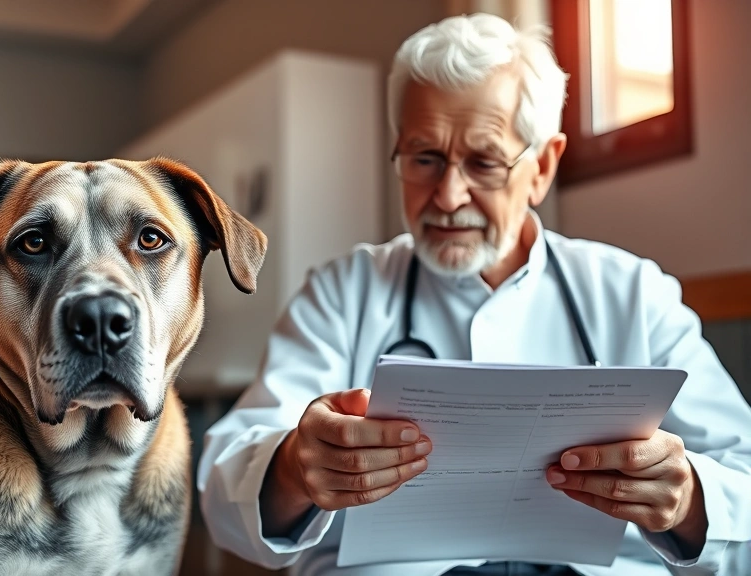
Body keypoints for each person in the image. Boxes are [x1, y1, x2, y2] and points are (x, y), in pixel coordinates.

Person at [196, 12, 751, 576]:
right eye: (424, 158)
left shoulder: (633, 294)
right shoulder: (341, 294)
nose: (449, 195)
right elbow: (222, 486)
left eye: (484, 162)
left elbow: (745, 475)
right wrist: (294, 468)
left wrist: (688, 499)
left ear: (542, 167)